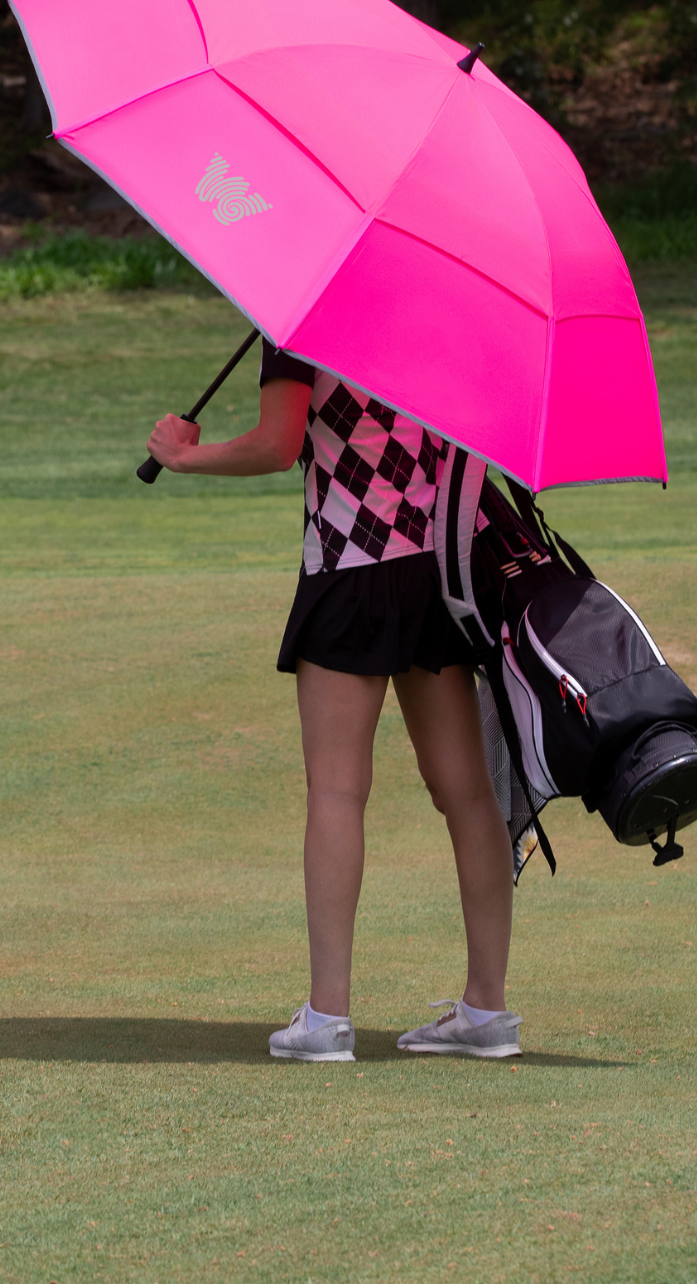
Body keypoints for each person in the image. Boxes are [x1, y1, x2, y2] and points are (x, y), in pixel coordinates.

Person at [146, 341, 521, 1062]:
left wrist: (184, 455)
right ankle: (487, 1010)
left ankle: (328, 1018)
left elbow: (279, 444)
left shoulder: (303, 326)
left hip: (349, 568)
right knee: (468, 793)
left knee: (338, 792)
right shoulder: (437, 314)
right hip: (432, 576)